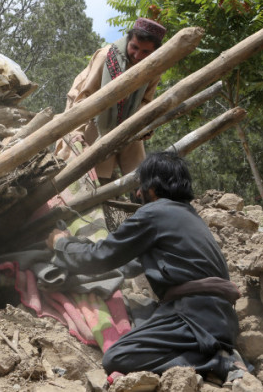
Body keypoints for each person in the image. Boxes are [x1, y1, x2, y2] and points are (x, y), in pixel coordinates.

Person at [46, 152, 246, 382]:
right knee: (141, 317)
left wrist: (61, 244)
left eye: (141, 186)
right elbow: (126, 264)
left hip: (193, 316)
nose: (137, 193)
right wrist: (77, 247)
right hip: (219, 319)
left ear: (153, 188)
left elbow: (100, 257)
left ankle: (216, 362)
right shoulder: (187, 217)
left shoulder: (153, 213)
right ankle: (214, 353)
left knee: (117, 357)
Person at [54, 18, 167, 183]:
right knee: (84, 162)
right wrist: (77, 131)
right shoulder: (107, 56)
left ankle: (138, 192)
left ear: (154, 52)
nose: (137, 55)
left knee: (139, 169)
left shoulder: (154, 68)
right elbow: (85, 96)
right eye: (134, 47)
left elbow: (145, 101)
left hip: (127, 115)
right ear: (129, 40)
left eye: (145, 52)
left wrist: (145, 123)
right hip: (90, 110)